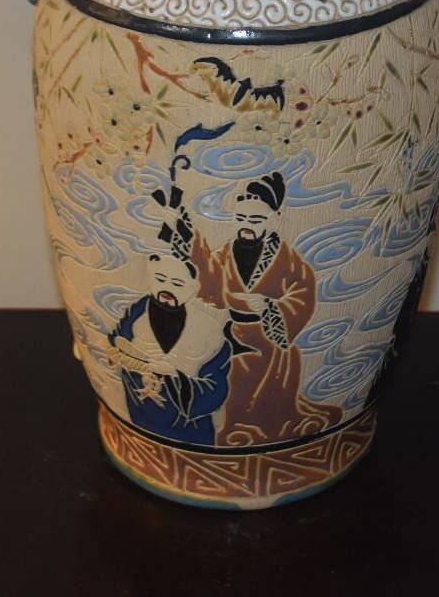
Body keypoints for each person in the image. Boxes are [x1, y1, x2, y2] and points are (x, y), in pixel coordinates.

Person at [189, 172, 341, 444]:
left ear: (274, 217)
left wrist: (270, 305)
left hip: (270, 339)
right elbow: (210, 285)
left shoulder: (287, 258)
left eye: (256, 220)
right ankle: (227, 426)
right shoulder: (227, 252)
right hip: (234, 332)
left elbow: (303, 293)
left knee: (263, 379)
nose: (247, 225)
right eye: (241, 218)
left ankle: (261, 428)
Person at [108, 252, 233, 446]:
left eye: (177, 284)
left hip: (187, 422)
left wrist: (175, 374)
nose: (167, 288)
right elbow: (116, 341)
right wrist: (117, 356)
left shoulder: (209, 332)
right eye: (160, 279)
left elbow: (215, 385)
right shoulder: (137, 311)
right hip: (140, 406)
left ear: (192, 288)